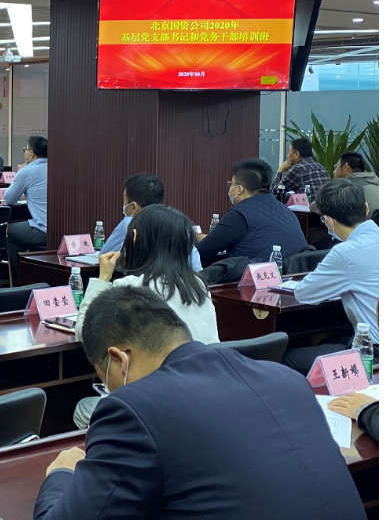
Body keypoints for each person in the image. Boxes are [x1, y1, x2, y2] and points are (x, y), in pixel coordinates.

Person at [32, 286, 366, 520]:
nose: (110, 388)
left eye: (104, 377)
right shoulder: (287, 379)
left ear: (119, 359)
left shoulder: (135, 410)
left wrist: (62, 474)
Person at [72, 205, 219, 428]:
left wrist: (102, 278)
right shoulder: (199, 286)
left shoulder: (131, 287)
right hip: (204, 397)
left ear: (134, 237)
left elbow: (85, 332)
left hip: (156, 406)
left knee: (83, 408)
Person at [281, 179, 379, 373]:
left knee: (285, 358)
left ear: (328, 220)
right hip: (369, 343)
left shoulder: (345, 252)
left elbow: (304, 294)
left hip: (372, 353)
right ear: (366, 208)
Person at [196, 158, 307, 265]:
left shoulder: (239, 215)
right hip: (295, 274)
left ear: (240, 189)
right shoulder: (286, 210)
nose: (230, 189)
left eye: (231, 184)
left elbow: (202, 252)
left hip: (254, 276)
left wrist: (196, 237)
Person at [102, 173, 203, 271]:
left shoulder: (130, 223)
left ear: (133, 207)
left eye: (124, 199)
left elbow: (104, 257)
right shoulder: (180, 223)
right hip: (189, 279)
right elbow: (196, 267)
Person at [5, 135, 48, 270]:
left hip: (42, 230)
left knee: (7, 230)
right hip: (61, 229)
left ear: (31, 153)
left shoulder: (27, 171)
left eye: (26, 149)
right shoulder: (55, 167)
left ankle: (20, 274)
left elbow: (9, 199)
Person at [314, 152, 378, 219]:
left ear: (345, 166)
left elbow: (315, 207)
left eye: (336, 167)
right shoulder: (376, 181)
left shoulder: (345, 188)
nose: (334, 172)